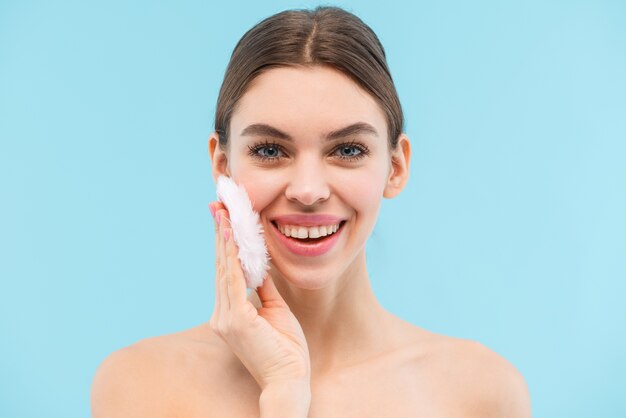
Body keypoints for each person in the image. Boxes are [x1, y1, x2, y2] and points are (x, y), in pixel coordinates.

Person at [91, 6, 531, 417]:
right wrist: (284, 391)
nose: (307, 190)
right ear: (222, 165)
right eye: (268, 150)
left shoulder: (481, 393)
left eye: (348, 149)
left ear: (395, 168)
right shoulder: (137, 386)